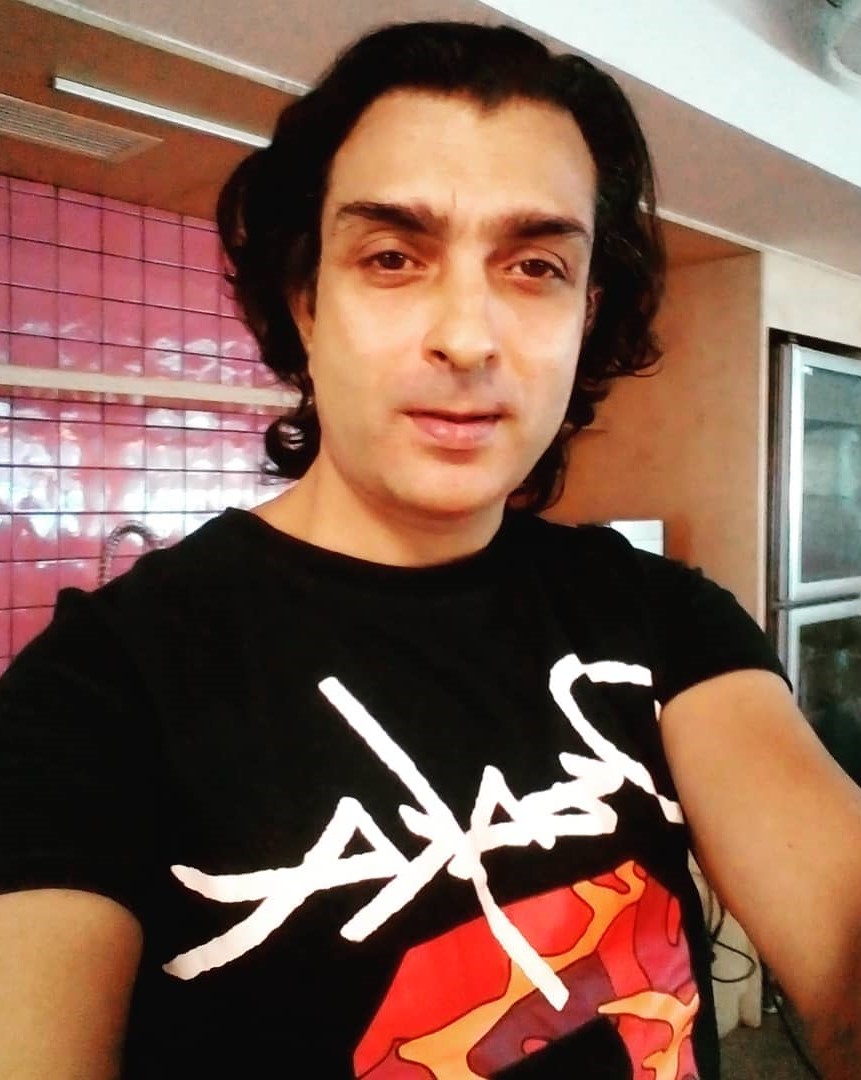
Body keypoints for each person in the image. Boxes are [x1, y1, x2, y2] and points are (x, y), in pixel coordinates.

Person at [1, 19, 860, 1080]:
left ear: (585, 315)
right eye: (393, 257)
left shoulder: (663, 617)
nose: (467, 337)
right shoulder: (99, 688)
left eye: (535, 265)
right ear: (306, 301)